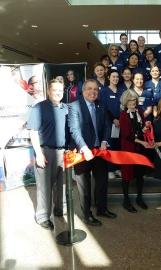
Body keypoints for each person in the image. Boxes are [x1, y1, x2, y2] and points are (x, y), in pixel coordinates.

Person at [68, 79, 117, 226]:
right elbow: (75, 130)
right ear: (83, 91)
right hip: (82, 152)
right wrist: (84, 148)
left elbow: (108, 126)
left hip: (99, 151)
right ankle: (87, 214)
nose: (93, 92)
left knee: (102, 182)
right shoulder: (74, 107)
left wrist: (104, 141)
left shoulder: (101, 105)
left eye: (96, 89)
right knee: (84, 186)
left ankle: (101, 208)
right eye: (89, 88)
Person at [27, 79, 68, 230]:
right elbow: (33, 131)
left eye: (60, 90)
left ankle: (60, 209)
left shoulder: (65, 108)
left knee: (62, 184)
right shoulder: (40, 107)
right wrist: (38, 153)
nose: (58, 93)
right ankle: (43, 216)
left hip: (62, 152)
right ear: (49, 91)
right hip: (45, 151)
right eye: (55, 90)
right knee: (45, 186)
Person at [119, 90, 151, 213]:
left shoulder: (140, 112)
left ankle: (139, 198)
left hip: (139, 149)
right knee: (126, 176)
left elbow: (141, 128)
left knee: (140, 175)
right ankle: (126, 201)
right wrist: (141, 142)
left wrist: (145, 126)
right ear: (125, 102)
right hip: (128, 149)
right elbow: (127, 135)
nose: (133, 102)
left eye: (134, 100)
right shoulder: (123, 114)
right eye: (130, 100)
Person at [100, 70, 124, 180]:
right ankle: (110, 169)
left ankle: (117, 168)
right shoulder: (104, 91)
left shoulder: (121, 91)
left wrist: (120, 119)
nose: (115, 79)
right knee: (110, 145)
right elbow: (104, 108)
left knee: (118, 146)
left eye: (117, 77)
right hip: (109, 123)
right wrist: (113, 119)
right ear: (108, 77)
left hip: (120, 123)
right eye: (113, 76)